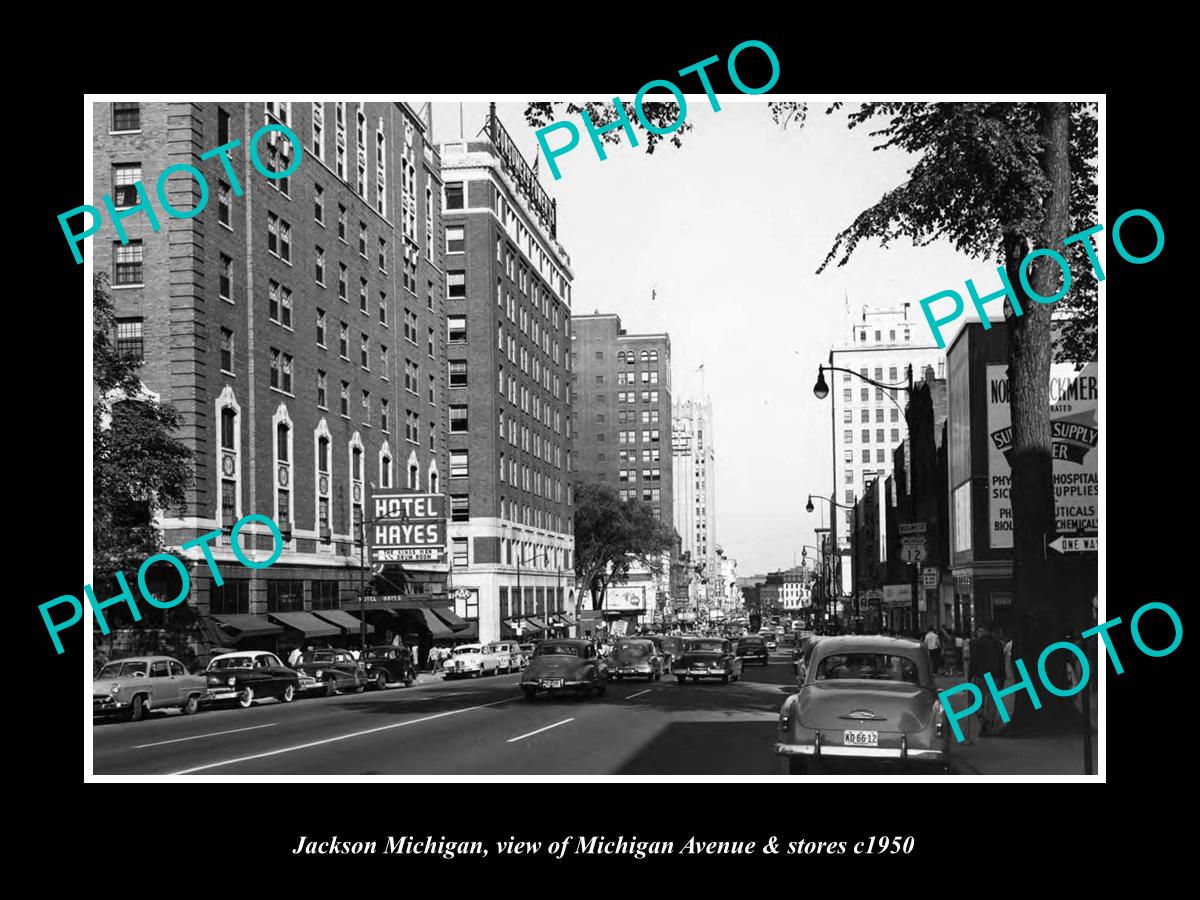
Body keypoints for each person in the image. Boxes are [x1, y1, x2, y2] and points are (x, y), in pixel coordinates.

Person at [968, 624, 1005, 740]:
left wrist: (969, 677)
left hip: (979, 675)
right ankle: (988, 723)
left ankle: (982, 718)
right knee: (992, 703)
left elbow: (972, 661)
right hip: (994, 675)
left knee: (975, 702)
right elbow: (1001, 662)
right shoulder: (998, 645)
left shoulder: (974, 644)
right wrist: (1003, 677)